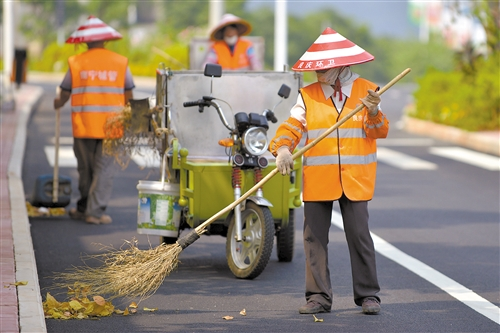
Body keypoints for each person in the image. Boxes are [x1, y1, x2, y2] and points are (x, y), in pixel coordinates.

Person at [269, 27, 388, 315]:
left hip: (355, 179)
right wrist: (283, 148)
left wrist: (373, 112)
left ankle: (369, 296)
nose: (319, 75)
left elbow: (377, 132)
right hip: (319, 179)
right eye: (317, 69)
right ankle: (318, 298)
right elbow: (292, 126)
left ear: (341, 65)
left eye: (325, 69)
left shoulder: (367, 91)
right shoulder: (307, 96)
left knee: (360, 235)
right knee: (314, 239)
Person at [54, 15, 135, 225]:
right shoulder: (120, 62)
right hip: (113, 126)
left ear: (85, 41)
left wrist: (58, 103)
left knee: (85, 169)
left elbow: (64, 92)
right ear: (106, 40)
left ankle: (84, 208)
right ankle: (93, 212)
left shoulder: (76, 62)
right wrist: (130, 116)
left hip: (84, 125)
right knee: (105, 170)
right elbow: (129, 95)